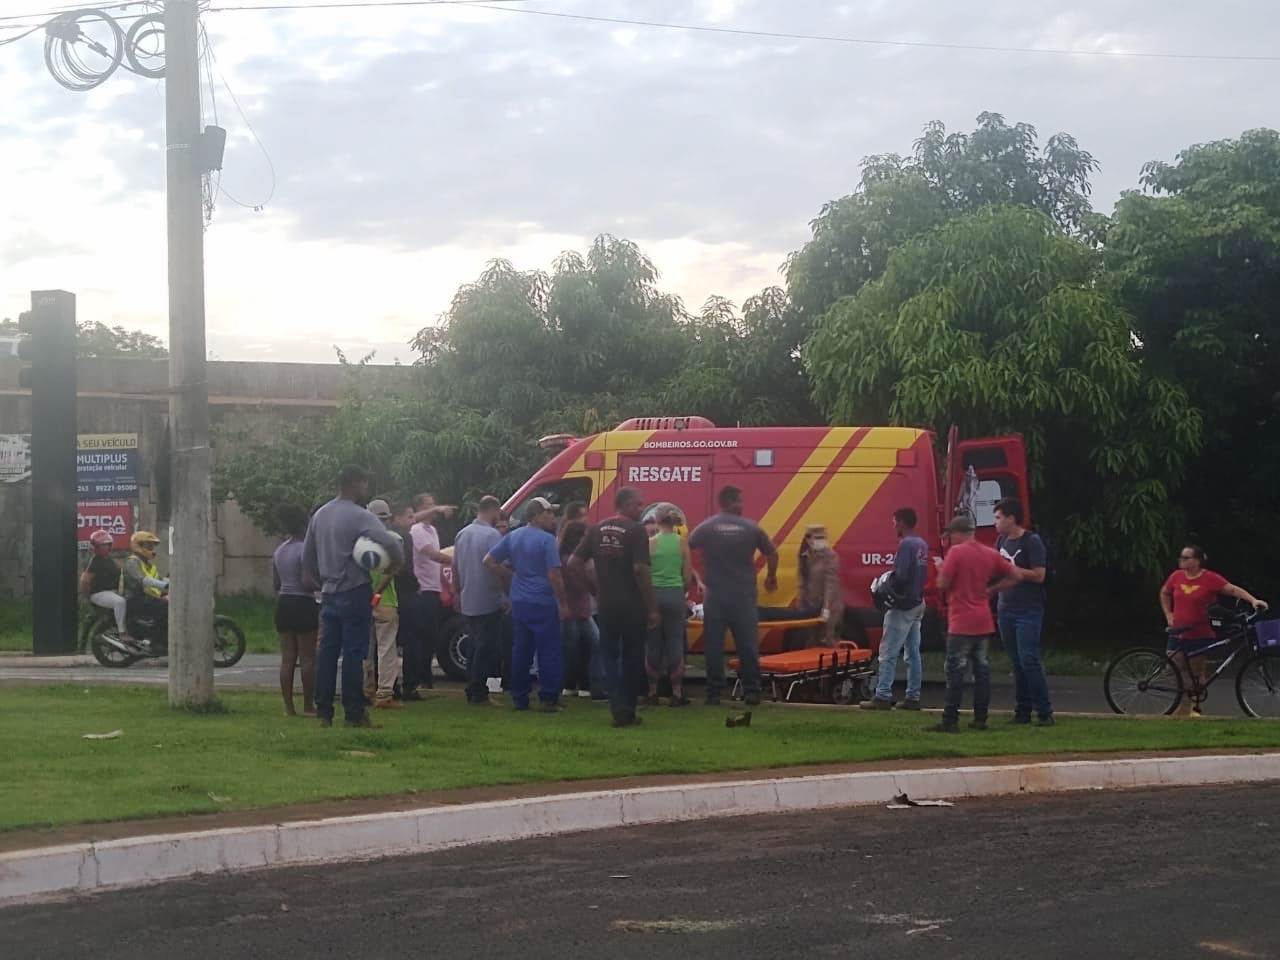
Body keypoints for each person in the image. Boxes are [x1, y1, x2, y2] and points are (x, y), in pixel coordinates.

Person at [303, 464, 404, 729]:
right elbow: (391, 542)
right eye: (364, 483)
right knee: (353, 653)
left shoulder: (320, 515)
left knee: (326, 653)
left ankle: (324, 712)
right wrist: (396, 564)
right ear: (356, 484)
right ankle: (354, 713)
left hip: (329, 592)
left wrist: (322, 579)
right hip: (355, 590)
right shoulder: (360, 516)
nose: (366, 488)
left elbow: (307, 557)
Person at [571, 487, 657, 727]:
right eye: (639, 505)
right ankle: (626, 709)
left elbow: (574, 562)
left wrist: (592, 588)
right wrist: (652, 607)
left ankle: (615, 705)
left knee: (609, 654)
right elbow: (640, 569)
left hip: (606, 604)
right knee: (632, 656)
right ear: (627, 505)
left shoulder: (597, 529)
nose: (641, 509)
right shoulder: (636, 531)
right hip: (632, 605)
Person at [688, 485, 778, 707]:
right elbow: (772, 553)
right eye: (739, 501)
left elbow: (686, 546)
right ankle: (752, 692)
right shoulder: (751, 527)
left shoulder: (706, 528)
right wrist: (771, 577)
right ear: (730, 502)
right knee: (747, 645)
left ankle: (714, 694)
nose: (742, 505)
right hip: (743, 596)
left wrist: (694, 574)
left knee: (714, 646)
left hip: (716, 596)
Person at [931, 514, 1018, 733]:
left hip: (960, 622)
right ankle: (981, 718)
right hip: (983, 620)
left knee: (956, 672)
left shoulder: (956, 553)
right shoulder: (989, 553)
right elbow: (1014, 575)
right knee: (982, 672)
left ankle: (950, 719)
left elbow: (943, 584)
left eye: (950, 535)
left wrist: (941, 567)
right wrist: (991, 589)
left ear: (957, 534)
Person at [1160, 544, 1268, 717]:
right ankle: (1181, 705)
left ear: (1197, 561)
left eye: (1186, 558)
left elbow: (1232, 590)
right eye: (1181, 557)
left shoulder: (1210, 579)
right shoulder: (1176, 576)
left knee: (1197, 673)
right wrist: (1168, 615)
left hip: (1200, 633)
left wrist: (1253, 600)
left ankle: (1192, 709)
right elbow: (1165, 593)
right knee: (1173, 669)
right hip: (1178, 631)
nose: (1182, 560)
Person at [484, 497, 568, 712]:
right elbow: (554, 574)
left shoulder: (513, 536)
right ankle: (548, 697)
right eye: (548, 513)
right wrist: (564, 602)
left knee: (521, 649)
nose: (552, 517)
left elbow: (489, 561)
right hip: (543, 601)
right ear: (537, 515)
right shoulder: (547, 540)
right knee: (548, 650)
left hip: (520, 600)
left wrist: (511, 576)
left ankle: (520, 697)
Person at [994, 498, 1053, 726]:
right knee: (1016, 661)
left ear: (1011, 518)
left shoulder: (1032, 542)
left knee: (1029, 658)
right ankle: (1023, 710)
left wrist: (1013, 570)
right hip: (1005, 607)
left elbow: (1039, 575)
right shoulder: (1000, 541)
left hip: (1028, 609)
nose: (996, 522)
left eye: (999, 517)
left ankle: (1044, 711)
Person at [863, 509, 927, 711]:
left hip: (903, 606)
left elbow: (901, 576)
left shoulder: (906, 544)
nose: (893, 526)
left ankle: (882, 695)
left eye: (894, 522)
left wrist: (886, 586)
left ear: (901, 522)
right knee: (913, 653)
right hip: (918, 602)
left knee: (888, 651)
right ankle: (913, 696)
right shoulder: (921, 544)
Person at [452, 495, 506, 706]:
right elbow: (498, 568)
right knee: (485, 647)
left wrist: (457, 593)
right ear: (493, 510)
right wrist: (504, 594)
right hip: (488, 598)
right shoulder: (492, 535)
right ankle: (479, 692)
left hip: (468, 597)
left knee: (474, 644)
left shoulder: (462, 534)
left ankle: (472, 688)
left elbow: (455, 567)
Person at [272, 504, 319, 717]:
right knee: (307, 658)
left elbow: (276, 583)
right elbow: (308, 582)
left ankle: (288, 707)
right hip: (303, 602)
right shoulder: (305, 549)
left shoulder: (280, 550)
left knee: (288, 658)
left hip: (284, 603)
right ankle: (308, 705)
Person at [646, 505, 693, 707]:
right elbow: (688, 576)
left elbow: (644, 572)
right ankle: (676, 692)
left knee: (653, 643)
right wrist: (680, 591)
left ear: (657, 521)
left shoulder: (650, 543)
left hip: (654, 596)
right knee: (675, 642)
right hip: (675, 594)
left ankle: (653, 691)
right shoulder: (682, 543)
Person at [410, 493, 456, 690]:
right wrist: (457, 560)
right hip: (423, 588)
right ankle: (419, 678)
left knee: (432, 635)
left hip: (434, 587)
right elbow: (431, 554)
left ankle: (426, 678)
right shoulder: (416, 529)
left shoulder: (432, 530)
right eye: (429, 505)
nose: (434, 508)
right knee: (421, 635)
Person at [364, 499, 405, 711]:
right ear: (387, 518)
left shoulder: (360, 540)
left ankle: (366, 690)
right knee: (386, 647)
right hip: (385, 600)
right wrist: (378, 592)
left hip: (361, 599)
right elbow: (394, 569)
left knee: (365, 648)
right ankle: (385, 694)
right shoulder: (393, 539)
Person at [558, 519, 598, 698]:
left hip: (579, 608)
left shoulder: (564, 557)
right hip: (575, 608)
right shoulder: (571, 561)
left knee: (576, 647)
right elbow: (578, 583)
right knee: (582, 646)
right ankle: (576, 683)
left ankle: (575, 684)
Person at [389, 502, 424, 701]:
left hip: (388, 594)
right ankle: (410, 685)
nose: (412, 522)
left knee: (387, 643)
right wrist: (415, 584)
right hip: (406, 592)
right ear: (396, 517)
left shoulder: (381, 535)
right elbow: (405, 566)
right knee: (412, 640)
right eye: (409, 517)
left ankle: (389, 684)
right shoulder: (404, 538)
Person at [121, 531, 169, 651]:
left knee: (169, 603)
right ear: (138, 545)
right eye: (148, 546)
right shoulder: (132, 562)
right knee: (165, 607)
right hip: (134, 598)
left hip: (146, 597)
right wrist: (165, 585)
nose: (152, 549)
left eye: (152, 546)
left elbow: (158, 580)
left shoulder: (149, 565)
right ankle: (156, 642)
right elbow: (142, 580)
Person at [80, 530, 130, 643]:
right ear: (96, 546)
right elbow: (84, 580)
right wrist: (87, 597)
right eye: (103, 545)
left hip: (111, 592)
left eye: (108, 544)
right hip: (99, 593)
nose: (107, 547)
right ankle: (122, 633)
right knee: (120, 602)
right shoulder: (96, 560)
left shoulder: (107, 559)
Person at [798, 523, 843, 648]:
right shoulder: (804, 556)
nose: (820, 541)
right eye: (817, 537)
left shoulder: (830, 556)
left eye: (822, 537)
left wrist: (826, 608)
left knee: (827, 640)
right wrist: (801, 604)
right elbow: (803, 583)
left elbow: (831, 583)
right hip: (810, 606)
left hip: (829, 606)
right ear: (808, 539)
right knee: (811, 643)